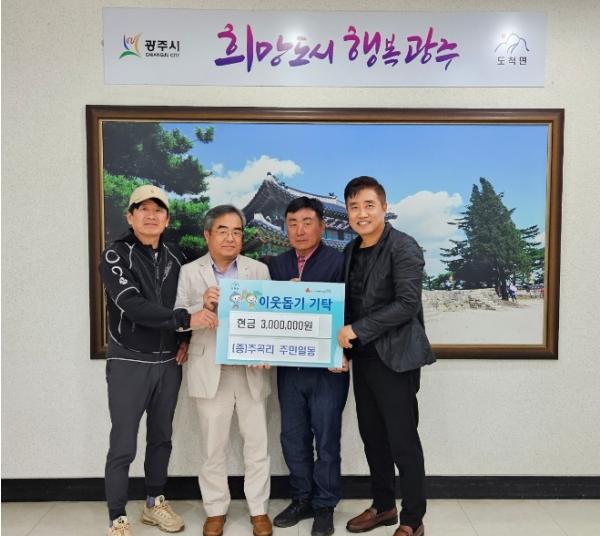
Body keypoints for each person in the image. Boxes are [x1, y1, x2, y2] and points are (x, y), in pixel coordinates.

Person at [101, 184, 215, 536]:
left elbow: (187, 297)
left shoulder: (176, 256)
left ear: (167, 220)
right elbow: (132, 304)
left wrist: (184, 337)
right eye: (143, 209)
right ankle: (117, 516)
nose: (151, 216)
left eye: (158, 210)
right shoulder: (115, 254)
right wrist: (185, 320)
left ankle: (154, 503)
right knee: (123, 443)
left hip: (168, 363)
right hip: (129, 361)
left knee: (162, 437)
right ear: (130, 216)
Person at [337, 177, 435, 536]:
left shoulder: (404, 247)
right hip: (363, 359)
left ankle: (412, 519)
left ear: (383, 207)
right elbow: (346, 303)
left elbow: (406, 304)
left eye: (368, 205)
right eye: (354, 207)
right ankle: (383, 506)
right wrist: (341, 347)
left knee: (402, 441)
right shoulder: (350, 251)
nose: (361, 214)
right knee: (373, 437)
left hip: (396, 359)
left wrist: (358, 329)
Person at [174, 205, 273, 536]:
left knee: (257, 444)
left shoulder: (258, 270)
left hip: (251, 369)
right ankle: (215, 509)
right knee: (212, 446)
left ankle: (258, 510)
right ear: (207, 235)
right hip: (209, 367)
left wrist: (268, 350)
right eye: (223, 230)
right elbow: (177, 317)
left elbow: (269, 319)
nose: (231, 237)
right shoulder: (190, 272)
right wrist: (200, 305)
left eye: (237, 231)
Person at [268, 197, 349, 536]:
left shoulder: (339, 262)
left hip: (327, 370)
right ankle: (301, 498)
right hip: (289, 368)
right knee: (293, 437)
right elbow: (261, 311)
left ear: (322, 226)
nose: (299, 230)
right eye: (292, 223)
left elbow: (352, 310)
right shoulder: (275, 265)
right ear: (285, 228)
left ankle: (325, 505)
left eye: (306, 222)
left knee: (326, 440)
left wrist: (346, 354)